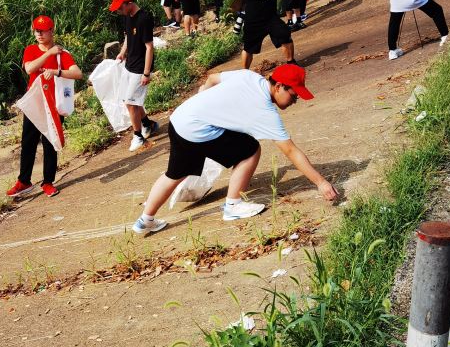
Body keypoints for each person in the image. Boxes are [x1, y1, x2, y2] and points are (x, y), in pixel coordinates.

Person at [130, 63, 339, 235]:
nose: (295, 101)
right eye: (294, 96)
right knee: (250, 149)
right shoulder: (265, 112)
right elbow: (291, 151)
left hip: (180, 120)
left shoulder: (249, 76)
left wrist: (204, 102)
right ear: (279, 87)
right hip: (197, 130)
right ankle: (233, 206)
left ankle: (145, 220)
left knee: (175, 173)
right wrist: (321, 183)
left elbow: (212, 78)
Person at [7, 15, 83, 198]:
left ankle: (48, 182)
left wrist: (56, 71)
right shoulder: (31, 49)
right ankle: (24, 181)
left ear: (52, 31)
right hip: (35, 102)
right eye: (36, 31)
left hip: (53, 103)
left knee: (50, 142)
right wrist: (49, 54)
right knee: (28, 142)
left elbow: (77, 73)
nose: (39, 34)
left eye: (43, 31)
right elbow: (29, 69)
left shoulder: (62, 54)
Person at [109, 0, 159, 152]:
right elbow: (127, 37)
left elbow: (149, 47)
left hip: (140, 68)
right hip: (129, 64)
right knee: (129, 100)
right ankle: (148, 124)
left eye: (120, 7)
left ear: (129, 3)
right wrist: (122, 53)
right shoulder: (128, 16)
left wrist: (146, 73)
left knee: (131, 103)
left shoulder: (144, 18)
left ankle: (138, 136)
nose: (119, 11)